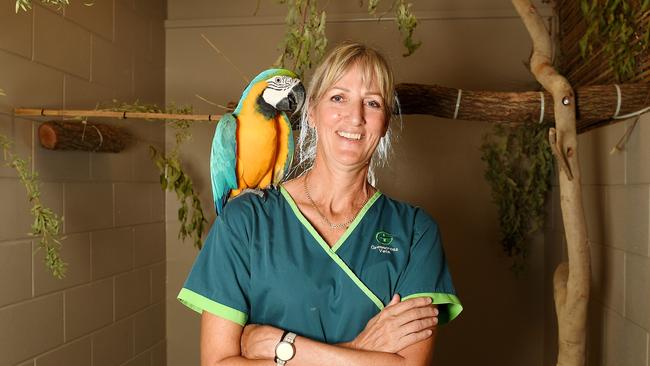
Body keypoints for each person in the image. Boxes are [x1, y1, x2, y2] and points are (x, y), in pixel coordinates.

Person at [178, 41, 463, 366]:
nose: (355, 117)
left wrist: (283, 347)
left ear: (385, 122)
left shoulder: (415, 232)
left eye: (372, 102)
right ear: (311, 111)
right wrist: (361, 348)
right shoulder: (244, 220)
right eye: (338, 97)